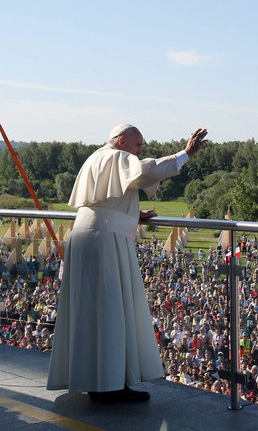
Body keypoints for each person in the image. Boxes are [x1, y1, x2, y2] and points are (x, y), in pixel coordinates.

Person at [46, 124, 208, 403]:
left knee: (90, 314)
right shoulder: (115, 156)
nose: (140, 152)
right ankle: (109, 386)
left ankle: (96, 380)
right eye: (137, 145)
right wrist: (186, 154)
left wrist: (133, 213)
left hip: (91, 237)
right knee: (109, 313)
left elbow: (109, 200)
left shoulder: (97, 157)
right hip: (103, 241)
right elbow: (146, 172)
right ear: (122, 141)